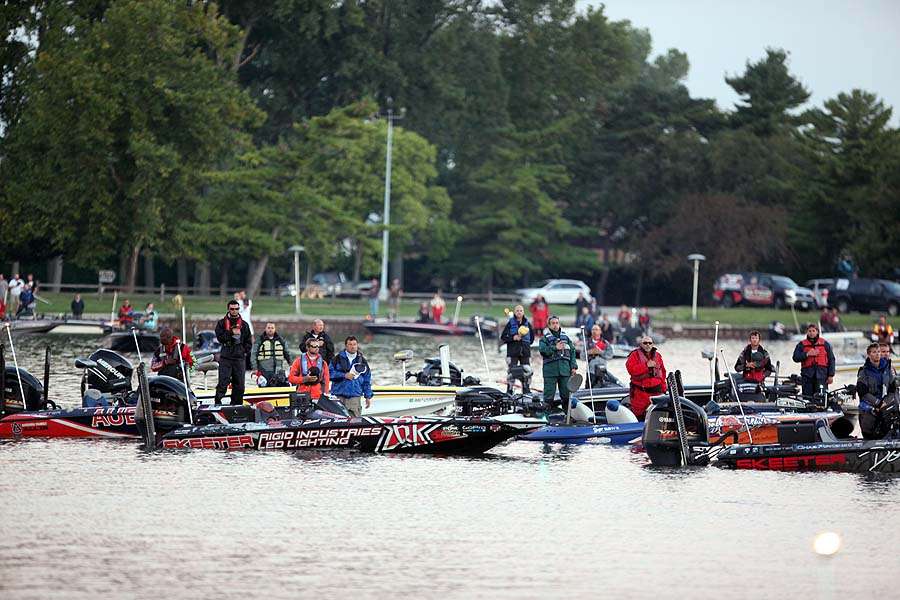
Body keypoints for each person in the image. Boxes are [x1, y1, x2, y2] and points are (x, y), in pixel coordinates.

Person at [214, 300, 253, 405]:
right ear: (228, 309)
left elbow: (249, 341)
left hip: (239, 358)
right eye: (232, 309)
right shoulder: (221, 323)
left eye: (236, 309)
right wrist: (231, 332)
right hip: (226, 357)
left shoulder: (244, 325)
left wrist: (243, 351)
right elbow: (220, 338)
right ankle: (218, 403)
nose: (234, 311)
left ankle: (236, 405)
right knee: (223, 383)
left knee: (240, 385)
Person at [857, 343, 896, 439]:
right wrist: (878, 403)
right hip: (869, 407)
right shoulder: (864, 371)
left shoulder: (888, 369)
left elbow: (892, 390)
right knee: (869, 435)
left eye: (878, 352)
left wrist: (884, 403)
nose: (877, 354)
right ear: (869, 354)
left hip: (885, 405)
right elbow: (862, 392)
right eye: (874, 352)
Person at [538, 316, 578, 410]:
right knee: (548, 396)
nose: (555, 325)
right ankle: (546, 416)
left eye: (557, 323)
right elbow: (543, 351)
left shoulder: (566, 338)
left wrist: (573, 367)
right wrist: (555, 348)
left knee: (566, 396)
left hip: (565, 371)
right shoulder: (544, 339)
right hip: (550, 372)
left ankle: (567, 416)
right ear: (549, 325)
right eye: (553, 323)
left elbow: (572, 352)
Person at [625, 335, 667, 420]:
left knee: (658, 415)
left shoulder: (658, 356)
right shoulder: (634, 355)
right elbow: (631, 370)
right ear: (641, 344)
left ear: (652, 344)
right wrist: (646, 366)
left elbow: (662, 373)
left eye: (650, 343)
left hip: (657, 393)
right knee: (639, 416)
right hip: (640, 394)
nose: (647, 345)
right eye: (645, 343)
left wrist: (664, 388)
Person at [330, 336, 373, 417]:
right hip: (338, 395)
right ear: (346, 346)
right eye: (350, 344)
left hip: (354, 396)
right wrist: (344, 375)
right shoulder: (336, 359)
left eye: (354, 344)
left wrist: (368, 396)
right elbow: (329, 374)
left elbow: (367, 379)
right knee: (337, 422)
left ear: (357, 345)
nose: (353, 346)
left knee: (355, 422)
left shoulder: (362, 361)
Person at [791, 323, 835, 399]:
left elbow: (831, 359)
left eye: (813, 331)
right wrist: (807, 354)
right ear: (807, 332)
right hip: (807, 376)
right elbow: (795, 358)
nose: (811, 333)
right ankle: (808, 409)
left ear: (817, 332)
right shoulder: (801, 345)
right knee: (807, 398)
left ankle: (822, 409)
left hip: (822, 376)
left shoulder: (825, 344)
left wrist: (831, 375)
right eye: (809, 331)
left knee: (821, 397)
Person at [500, 305, 534, 393]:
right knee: (511, 372)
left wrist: (525, 343)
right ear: (515, 312)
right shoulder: (510, 323)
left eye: (521, 311)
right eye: (517, 311)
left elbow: (532, 339)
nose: (519, 312)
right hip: (513, 352)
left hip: (525, 352)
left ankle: (526, 389)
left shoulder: (527, 324)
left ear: (523, 312)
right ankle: (510, 390)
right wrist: (513, 338)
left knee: (527, 372)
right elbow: (503, 337)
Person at [252, 322, 292, 387]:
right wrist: (255, 368)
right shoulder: (259, 341)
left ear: (275, 329)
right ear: (265, 329)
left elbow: (287, 353)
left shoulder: (281, 340)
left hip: (278, 370)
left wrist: (291, 364)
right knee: (264, 384)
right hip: (264, 370)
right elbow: (253, 355)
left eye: (272, 328)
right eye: (268, 328)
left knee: (283, 383)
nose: (270, 329)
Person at [586, 323, 615, 387]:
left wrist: (600, 352)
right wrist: (589, 352)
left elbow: (610, 355)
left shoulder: (605, 343)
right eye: (593, 329)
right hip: (591, 371)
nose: (594, 331)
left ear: (600, 331)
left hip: (602, 370)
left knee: (602, 386)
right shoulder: (587, 343)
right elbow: (581, 356)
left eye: (596, 329)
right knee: (589, 387)